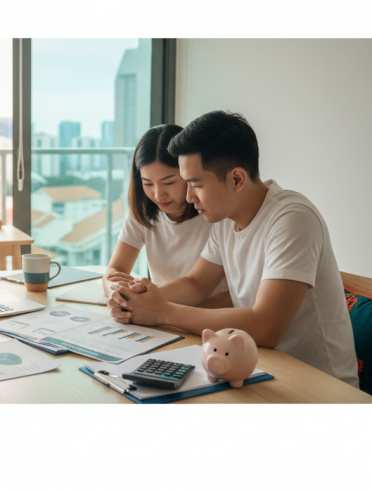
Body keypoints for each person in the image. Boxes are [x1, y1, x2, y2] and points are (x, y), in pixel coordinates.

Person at [108, 110, 359, 387]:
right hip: (255, 369)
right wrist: (135, 303)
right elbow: (196, 283)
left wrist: (163, 311)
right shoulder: (225, 221)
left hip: (320, 387)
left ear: (237, 179)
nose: (190, 198)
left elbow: (266, 326)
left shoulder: (292, 218)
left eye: (196, 184)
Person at [103, 124, 226, 302]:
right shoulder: (144, 211)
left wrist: (146, 301)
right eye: (148, 184)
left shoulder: (215, 215)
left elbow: (200, 286)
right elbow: (115, 269)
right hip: (158, 314)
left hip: (205, 317)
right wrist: (115, 292)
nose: (158, 195)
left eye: (169, 183)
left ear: (188, 174)